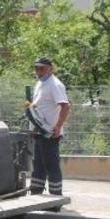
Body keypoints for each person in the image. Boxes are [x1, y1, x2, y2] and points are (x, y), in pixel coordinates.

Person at [28, 57, 70, 196]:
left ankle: (55, 198)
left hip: (50, 133)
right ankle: (35, 194)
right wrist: (33, 127)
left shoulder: (55, 84)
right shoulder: (39, 84)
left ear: (50, 69)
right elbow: (39, 107)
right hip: (39, 132)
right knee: (38, 165)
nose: (39, 71)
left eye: (42, 68)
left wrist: (58, 127)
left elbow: (65, 106)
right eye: (36, 68)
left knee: (51, 166)